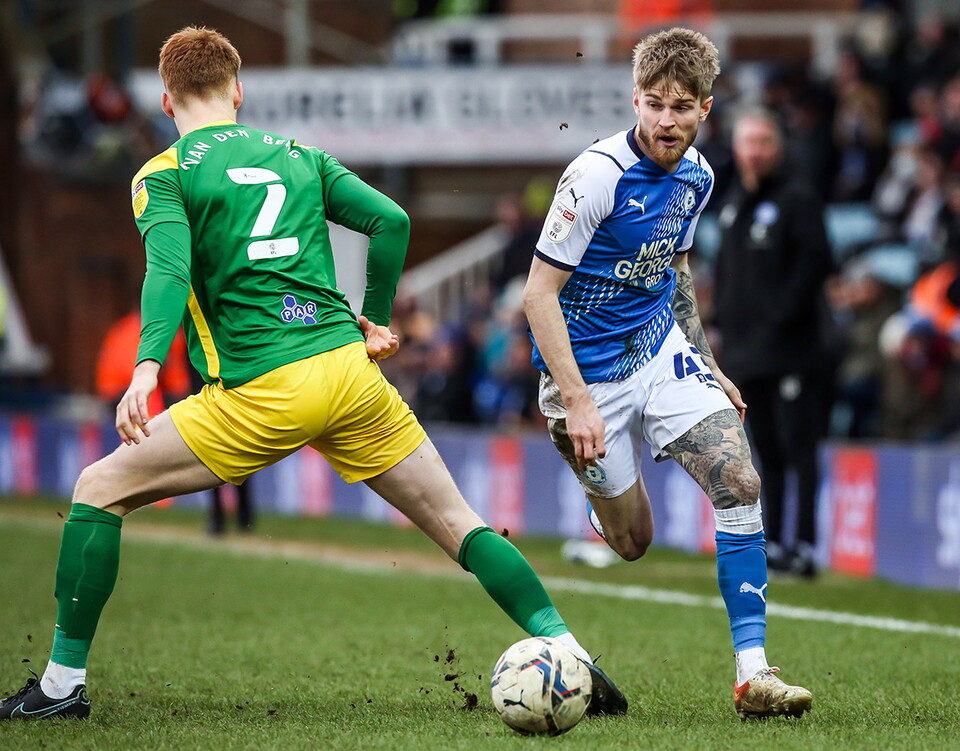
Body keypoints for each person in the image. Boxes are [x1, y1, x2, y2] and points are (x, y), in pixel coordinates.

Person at [0, 26, 624, 721]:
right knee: (459, 522)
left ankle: (60, 687)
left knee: (97, 488)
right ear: (238, 90)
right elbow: (390, 219)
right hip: (351, 374)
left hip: (265, 387)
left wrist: (146, 366)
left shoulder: (164, 172)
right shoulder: (300, 155)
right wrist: (377, 318)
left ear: (169, 101)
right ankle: (573, 655)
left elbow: (170, 271)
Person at [522, 27, 812, 719]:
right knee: (634, 543)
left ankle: (753, 674)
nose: (664, 120)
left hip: (658, 350)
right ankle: (604, 510)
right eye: (652, 103)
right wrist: (578, 400)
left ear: (705, 110)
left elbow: (675, 272)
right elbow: (538, 294)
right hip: (585, 378)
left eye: (681, 106)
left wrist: (709, 365)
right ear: (635, 101)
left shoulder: (700, 177)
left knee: (740, 478)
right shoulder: (595, 176)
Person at [712, 109, 835, 578]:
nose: (755, 151)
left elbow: (816, 262)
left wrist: (781, 316)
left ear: (778, 147)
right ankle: (776, 541)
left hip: (792, 351)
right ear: (738, 149)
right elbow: (727, 273)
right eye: (748, 142)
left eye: (764, 141)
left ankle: (803, 543)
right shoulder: (734, 202)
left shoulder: (797, 198)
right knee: (766, 452)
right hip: (746, 353)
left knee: (799, 445)